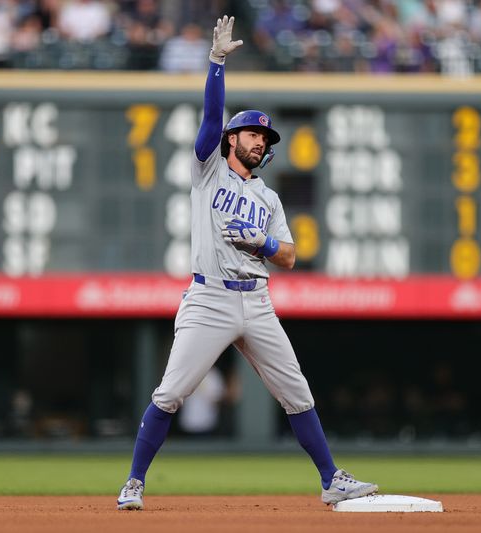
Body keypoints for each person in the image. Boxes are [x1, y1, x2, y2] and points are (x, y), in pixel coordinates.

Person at [116, 15, 377, 511]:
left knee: (297, 392)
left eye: (265, 137)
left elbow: (291, 256)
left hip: (256, 300)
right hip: (209, 297)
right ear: (232, 140)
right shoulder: (207, 170)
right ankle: (134, 482)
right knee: (170, 393)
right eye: (252, 133)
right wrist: (216, 65)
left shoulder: (269, 198)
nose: (260, 140)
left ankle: (331, 479)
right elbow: (211, 120)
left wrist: (262, 245)